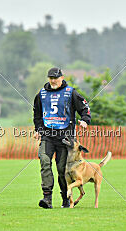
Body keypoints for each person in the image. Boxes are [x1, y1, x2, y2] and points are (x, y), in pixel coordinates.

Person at [33, 67, 91, 209]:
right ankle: (47, 199)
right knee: (45, 163)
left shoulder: (71, 93)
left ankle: (66, 198)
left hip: (66, 138)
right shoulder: (41, 94)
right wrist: (38, 130)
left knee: (61, 169)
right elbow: (37, 115)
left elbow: (84, 108)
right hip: (48, 136)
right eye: (51, 78)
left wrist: (85, 119)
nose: (53, 81)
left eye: (56, 78)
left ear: (62, 78)